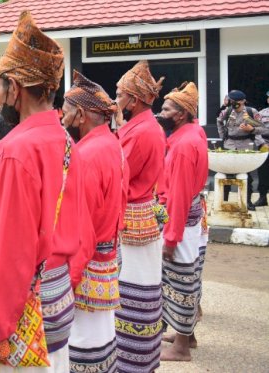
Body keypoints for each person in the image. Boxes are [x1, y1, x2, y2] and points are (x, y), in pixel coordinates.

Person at [0, 11, 78, 373]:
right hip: (58, 294)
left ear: (14, 87)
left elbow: (15, 254)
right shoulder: (62, 137)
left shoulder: (19, 150)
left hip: (25, 306)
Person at [62, 71, 128, 373]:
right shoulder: (112, 144)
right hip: (106, 255)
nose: (62, 118)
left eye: (66, 111)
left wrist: (68, 282)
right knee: (103, 342)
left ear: (81, 115)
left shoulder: (86, 155)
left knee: (85, 348)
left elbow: (82, 228)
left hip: (88, 264)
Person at [113, 60, 167, 373]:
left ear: (133, 100)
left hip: (131, 216)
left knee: (130, 291)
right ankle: (143, 359)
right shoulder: (148, 127)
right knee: (145, 289)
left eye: (120, 94)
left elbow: (119, 175)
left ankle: (131, 361)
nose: (115, 98)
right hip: (143, 214)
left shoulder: (140, 132)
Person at [154, 82, 208, 362]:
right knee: (189, 278)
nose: (160, 113)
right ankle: (187, 335)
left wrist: (171, 238)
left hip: (182, 222)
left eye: (166, 109)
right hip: (189, 219)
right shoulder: (190, 132)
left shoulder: (185, 145)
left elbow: (179, 195)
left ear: (181, 114)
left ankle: (182, 348)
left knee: (182, 282)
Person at [217, 89, 264, 209]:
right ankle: (224, 200)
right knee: (227, 173)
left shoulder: (250, 112)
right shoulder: (227, 111)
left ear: (243, 101)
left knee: (246, 174)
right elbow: (219, 121)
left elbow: (263, 128)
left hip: (246, 145)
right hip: (230, 145)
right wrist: (223, 136)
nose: (233, 103)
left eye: (236, 101)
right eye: (232, 100)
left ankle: (247, 201)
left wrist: (251, 129)